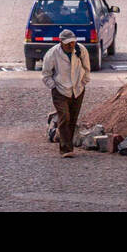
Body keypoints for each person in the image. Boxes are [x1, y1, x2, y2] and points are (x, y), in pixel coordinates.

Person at [41, 29, 91, 157]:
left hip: (78, 90)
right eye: (68, 43)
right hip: (60, 90)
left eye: (73, 43)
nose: (70, 45)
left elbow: (87, 68)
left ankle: (58, 132)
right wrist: (54, 87)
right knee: (65, 117)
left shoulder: (81, 50)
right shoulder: (52, 54)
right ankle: (66, 149)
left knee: (72, 118)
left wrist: (83, 82)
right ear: (61, 42)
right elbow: (46, 75)